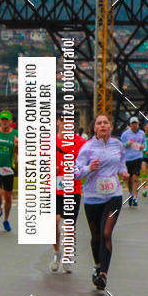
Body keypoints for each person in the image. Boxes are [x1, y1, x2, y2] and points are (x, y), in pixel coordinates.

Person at [75, 113, 128, 291]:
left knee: (106, 233)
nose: (103, 125)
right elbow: (75, 172)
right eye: (99, 123)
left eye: (106, 123)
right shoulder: (87, 147)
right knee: (96, 236)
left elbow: (121, 163)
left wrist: (123, 172)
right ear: (94, 127)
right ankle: (97, 265)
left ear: (110, 126)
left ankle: (103, 274)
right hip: (92, 198)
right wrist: (89, 168)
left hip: (114, 196)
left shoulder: (117, 145)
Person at [52, 116, 86, 273]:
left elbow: (85, 162)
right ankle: (57, 252)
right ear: (58, 122)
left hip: (72, 189)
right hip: (54, 188)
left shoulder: (80, 142)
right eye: (64, 121)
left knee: (69, 226)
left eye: (71, 122)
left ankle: (66, 256)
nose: (67, 124)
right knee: (54, 222)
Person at [120, 116, 145, 207]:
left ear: (138, 124)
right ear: (130, 124)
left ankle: (135, 197)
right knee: (129, 179)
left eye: (135, 123)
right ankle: (131, 193)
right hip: (127, 158)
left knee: (135, 177)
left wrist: (142, 147)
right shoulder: (125, 134)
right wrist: (127, 143)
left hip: (138, 157)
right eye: (132, 123)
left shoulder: (141, 133)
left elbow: (144, 144)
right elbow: (121, 145)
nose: (134, 125)